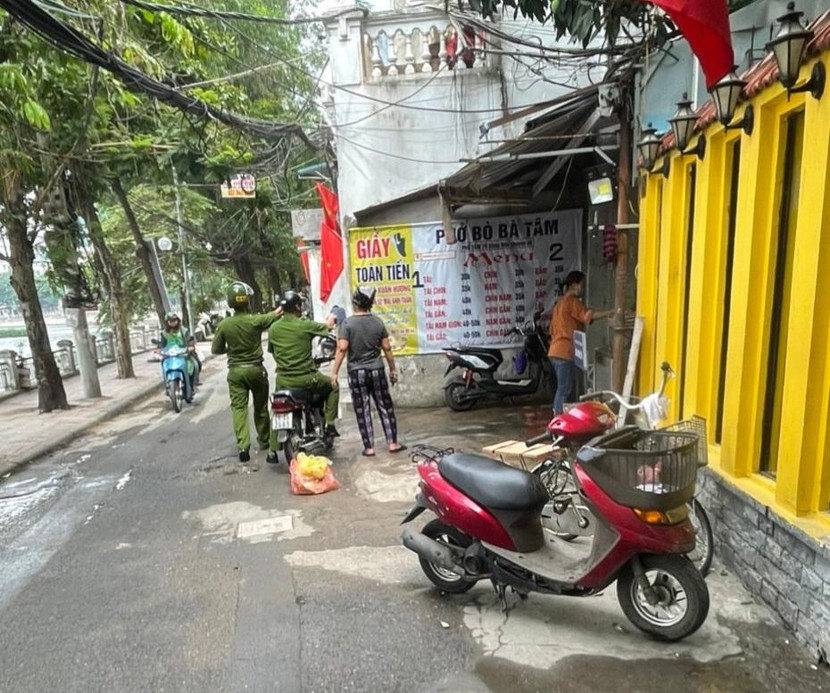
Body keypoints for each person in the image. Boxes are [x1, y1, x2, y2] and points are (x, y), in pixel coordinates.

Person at [211, 282, 282, 463]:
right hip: (256, 370)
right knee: (260, 407)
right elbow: (274, 315)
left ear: (230, 302)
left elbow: (215, 349)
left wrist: (231, 350)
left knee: (239, 409)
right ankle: (264, 440)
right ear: (246, 301)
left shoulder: (225, 325)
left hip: (236, 373)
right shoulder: (255, 321)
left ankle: (243, 446)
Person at [330, 288, 404, 457]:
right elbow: (387, 347)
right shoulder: (378, 322)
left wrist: (334, 372)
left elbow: (342, 348)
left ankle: (369, 447)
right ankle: (392, 442)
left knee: (362, 409)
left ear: (355, 304)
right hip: (377, 369)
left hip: (357, 372)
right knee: (384, 405)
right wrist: (392, 369)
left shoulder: (347, 324)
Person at [268, 290, 339, 448]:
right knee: (333, 386)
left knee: (274, 409)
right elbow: (328, 327)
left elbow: (273, 352)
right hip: (306, 379)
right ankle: (330, 425)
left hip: (283, 381)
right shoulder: (304, 324)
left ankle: (272, 450)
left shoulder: (273, 329)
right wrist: (332, 317)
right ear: (297, 308)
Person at [549, 271, 614, 415]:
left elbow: (552, 329)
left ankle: (557, 416)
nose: (582, 288)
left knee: (562, 389)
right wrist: (609, 312)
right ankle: (558, 420)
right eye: (581, 285)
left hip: (555, 351)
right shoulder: (572, 302)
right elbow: (587, 317)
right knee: (564, 389)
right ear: (574, 285)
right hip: (565, 351)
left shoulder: (559, 303)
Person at [158, 312, 200, 390]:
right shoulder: (164, 333)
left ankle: (193, 383)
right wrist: (159, 350)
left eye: (174, 320)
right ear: (167, 322)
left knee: (196, 364)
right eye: (170, 321)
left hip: (183, 354)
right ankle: (167, 385)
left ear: (178, 320)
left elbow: (190, 339)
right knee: (163, 363)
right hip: (169, 355)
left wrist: (190, 346)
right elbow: (162, 344)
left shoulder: (184, 331)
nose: (173, 322)